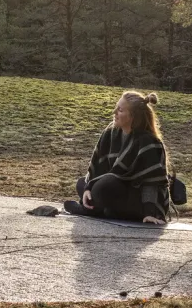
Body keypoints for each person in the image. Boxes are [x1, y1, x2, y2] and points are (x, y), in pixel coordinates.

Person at [64, 91, 171, 224]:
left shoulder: (148, 142)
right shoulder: (110, 133)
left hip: (139, 200)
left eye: (120, 110)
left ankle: (92, 209)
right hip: (114, 190)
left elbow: (152, 183)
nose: (114, 112)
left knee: (103, 187)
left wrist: (151, 213)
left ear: (133, 116)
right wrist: (88, 187)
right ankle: (101, 208)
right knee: (82, 183)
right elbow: (97, 169)